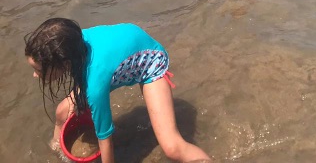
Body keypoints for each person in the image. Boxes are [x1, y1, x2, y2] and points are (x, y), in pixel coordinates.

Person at [24, 17, 211, 162]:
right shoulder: (70, 43)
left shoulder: (95, 84)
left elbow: (105, 138)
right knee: (62, 111)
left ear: (62, 63)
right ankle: (57, 152)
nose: (35, 75)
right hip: (121, 53)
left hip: (149, 60)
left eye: (39, 70)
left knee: (172, 148)